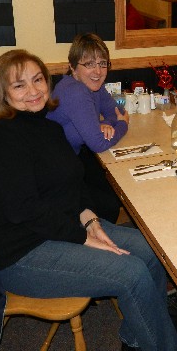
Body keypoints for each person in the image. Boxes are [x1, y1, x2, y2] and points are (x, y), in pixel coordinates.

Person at [0, 50, 177, 351]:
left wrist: (92, 221)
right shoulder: (3, 139)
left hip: (63, 225)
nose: (33, 91)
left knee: (151, 251)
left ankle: (140, 336)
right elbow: (25, 211)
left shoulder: (47, 127)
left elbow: (73, 184)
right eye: (19, 85)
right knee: (132, 273)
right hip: (22, 252)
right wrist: (84, 238)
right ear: (3, 93)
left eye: (37, 80)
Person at [47, 33, 128, 224]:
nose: (98, 71)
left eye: (102, 63)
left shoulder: (94, 86)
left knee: (112, 189)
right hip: (54, 170)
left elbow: (116, 110)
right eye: (89, 64)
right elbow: (99, 143)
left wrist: (104, 123)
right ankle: (96, 240)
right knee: (108, 202)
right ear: (73, 67)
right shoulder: (75, 91)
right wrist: (122, 124)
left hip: (73, 157)